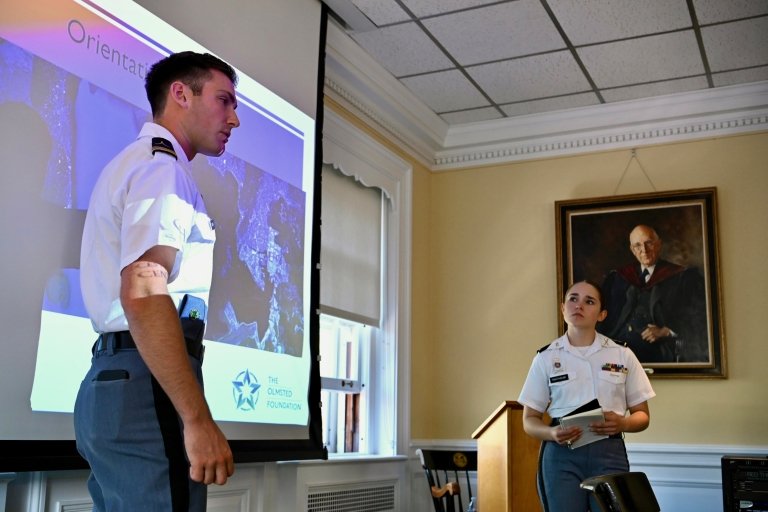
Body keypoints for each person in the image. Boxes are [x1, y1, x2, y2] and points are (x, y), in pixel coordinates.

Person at [74, 51, 240, 511]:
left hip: (116, 380)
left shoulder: (133, 163)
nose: (235, 118)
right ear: (181, 94)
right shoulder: (161, 169)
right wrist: (197, 419)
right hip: (149, 386)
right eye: (224, 100)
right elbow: (145, 287)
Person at [518, 280, 655, 512]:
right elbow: (529, 420)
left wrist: (622, 423)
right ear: (563, 308)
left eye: (588, 301)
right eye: (573, 299)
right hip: (561, 455)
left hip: (609, 453)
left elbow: (642, 415)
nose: (578, 305)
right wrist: (551, 432)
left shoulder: (622, 354)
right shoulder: (546, 358)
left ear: (601, 315)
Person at [598, 224, 708, 363]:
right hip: (618, 353)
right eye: (637, 245)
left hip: (657, 352)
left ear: (659, 244)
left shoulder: (681, 277)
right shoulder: (617, 278)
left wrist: (666, 331)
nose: (644, 250)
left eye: (648, 243)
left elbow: (698, 317)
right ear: (632, 250)